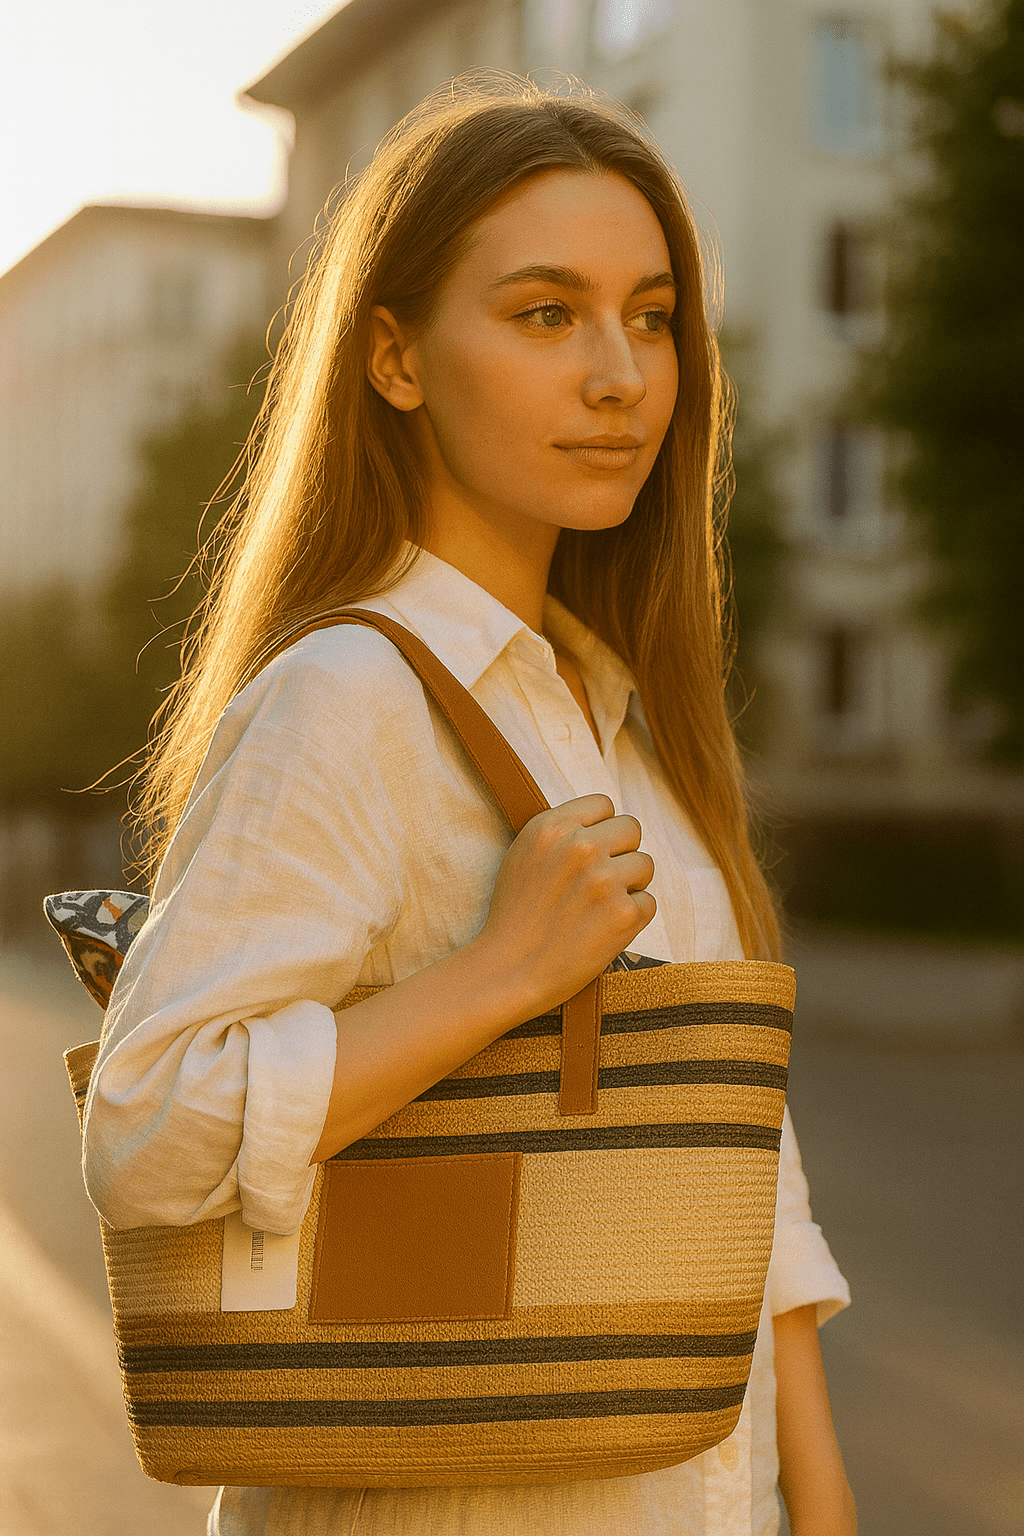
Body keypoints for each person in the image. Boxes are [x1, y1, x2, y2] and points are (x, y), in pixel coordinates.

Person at [83, 78, 856, 1536]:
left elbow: (746, 1159)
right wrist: (506, 974)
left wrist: (819, 1498)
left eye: (653, 317)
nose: (621, 373)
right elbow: (148, 1130)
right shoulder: (348, 696)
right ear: (395, 357)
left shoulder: (620, 713)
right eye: (547, 314)